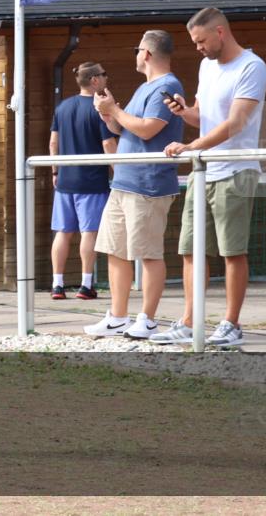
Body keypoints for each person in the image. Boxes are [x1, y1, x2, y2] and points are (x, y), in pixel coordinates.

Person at [154, 7, 266, 347]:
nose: (198, 48)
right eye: (194, 42)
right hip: (203, 170)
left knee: (232, 251)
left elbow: (235, 123)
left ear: (220, 32)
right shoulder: (206, 67)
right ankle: (190, 322)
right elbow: (203, 117)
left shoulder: (252, 67)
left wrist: (191, 146)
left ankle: (231, 324)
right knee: (190, 249)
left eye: (201, 41)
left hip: (235, 170)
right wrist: (183, 112)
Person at [84, 30, 184, 340]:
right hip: (124, 182)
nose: (136, 55)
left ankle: (148, 319)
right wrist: (108, 115)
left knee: (149, 253)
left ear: (148, 54)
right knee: (115, 250)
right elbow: (125, 128)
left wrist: (114, 110)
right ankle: (117, 317)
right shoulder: (144, 88)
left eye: (137, 50)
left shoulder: (167, 86)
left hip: (148, 184)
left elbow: (148, 129)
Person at [46, 62, 117, 300]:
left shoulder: (63, 107)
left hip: (65, 181)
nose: (106, 78)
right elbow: (108, 144)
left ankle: (57, 285)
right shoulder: (99, 109)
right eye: (104, 74)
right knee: (89, 232)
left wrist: (55, 172)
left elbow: (53, 143)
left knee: (62, 232)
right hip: (92, 181)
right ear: (95, 80)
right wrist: (120, 171)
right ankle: (86, 285)